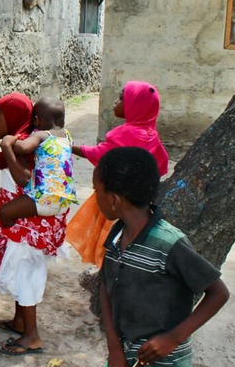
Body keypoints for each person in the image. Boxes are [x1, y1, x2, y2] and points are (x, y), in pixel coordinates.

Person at [96, 147, 229, 367]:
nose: (95, 195)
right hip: (124, 355)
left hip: (165, 361)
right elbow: (105, 284)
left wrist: (173, 338)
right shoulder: (117, 234)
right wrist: (114, 349)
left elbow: (219, 293)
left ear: (114, 200)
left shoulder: (169, 244)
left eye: (96, 190)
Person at [0, 93, 68, 356]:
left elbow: (23, 178)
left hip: (29, 226)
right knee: (22, 270)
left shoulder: (25, 145)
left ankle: (32, 336)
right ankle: (20, 320)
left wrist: (8, 148)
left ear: (12, 119)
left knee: (26, 273)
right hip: (22, 222)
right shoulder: (25, 141)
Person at [67, 81, 170, 268]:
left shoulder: (123, 134)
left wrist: (68, 146)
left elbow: (98, 153)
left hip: (115, 200)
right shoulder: (152, 137)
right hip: (137, 204)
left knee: (107, 238)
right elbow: (161, 167)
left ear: (134, 105)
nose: (116, 102)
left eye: (122, 98)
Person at [0, 97, 77, 227]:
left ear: (36, 120)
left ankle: (14, 231)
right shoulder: (66, 135)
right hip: (65, 201)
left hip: (44, 199)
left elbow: (23, 148)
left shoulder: (42, 135)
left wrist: (9, 141)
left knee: (4, 213)